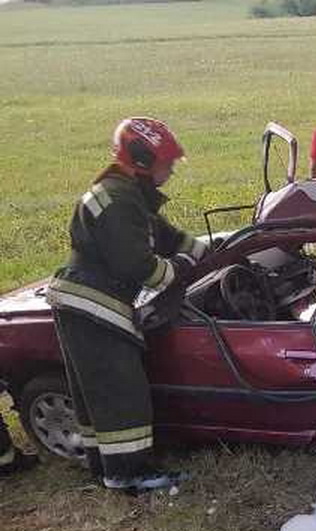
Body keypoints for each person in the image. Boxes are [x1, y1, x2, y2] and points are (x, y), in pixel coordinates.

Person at [46, 117, 207, 492]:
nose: (171, 170)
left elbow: (169, 238)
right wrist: (182, 266)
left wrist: (217, 254)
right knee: (121, 389)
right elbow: (143, 269)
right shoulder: (119, 201)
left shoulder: (126, 193)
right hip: (93, 303)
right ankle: (129, 474)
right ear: (142, 160)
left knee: (97, 391)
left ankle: (104, 466)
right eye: (167, 162)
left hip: (84, 299)